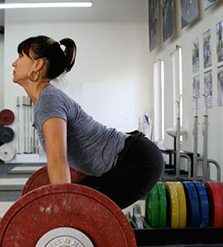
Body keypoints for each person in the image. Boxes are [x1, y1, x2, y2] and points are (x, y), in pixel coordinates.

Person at [12, 35, 164, 209]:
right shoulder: (46, 99)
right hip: (128, 157)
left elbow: (58, 159)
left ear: (37, 65)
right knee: (80, 205)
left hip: (137, 161)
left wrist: (63, 208)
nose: (14, 63)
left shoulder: (49, 100)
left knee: (79, 210)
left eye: (21, 56)